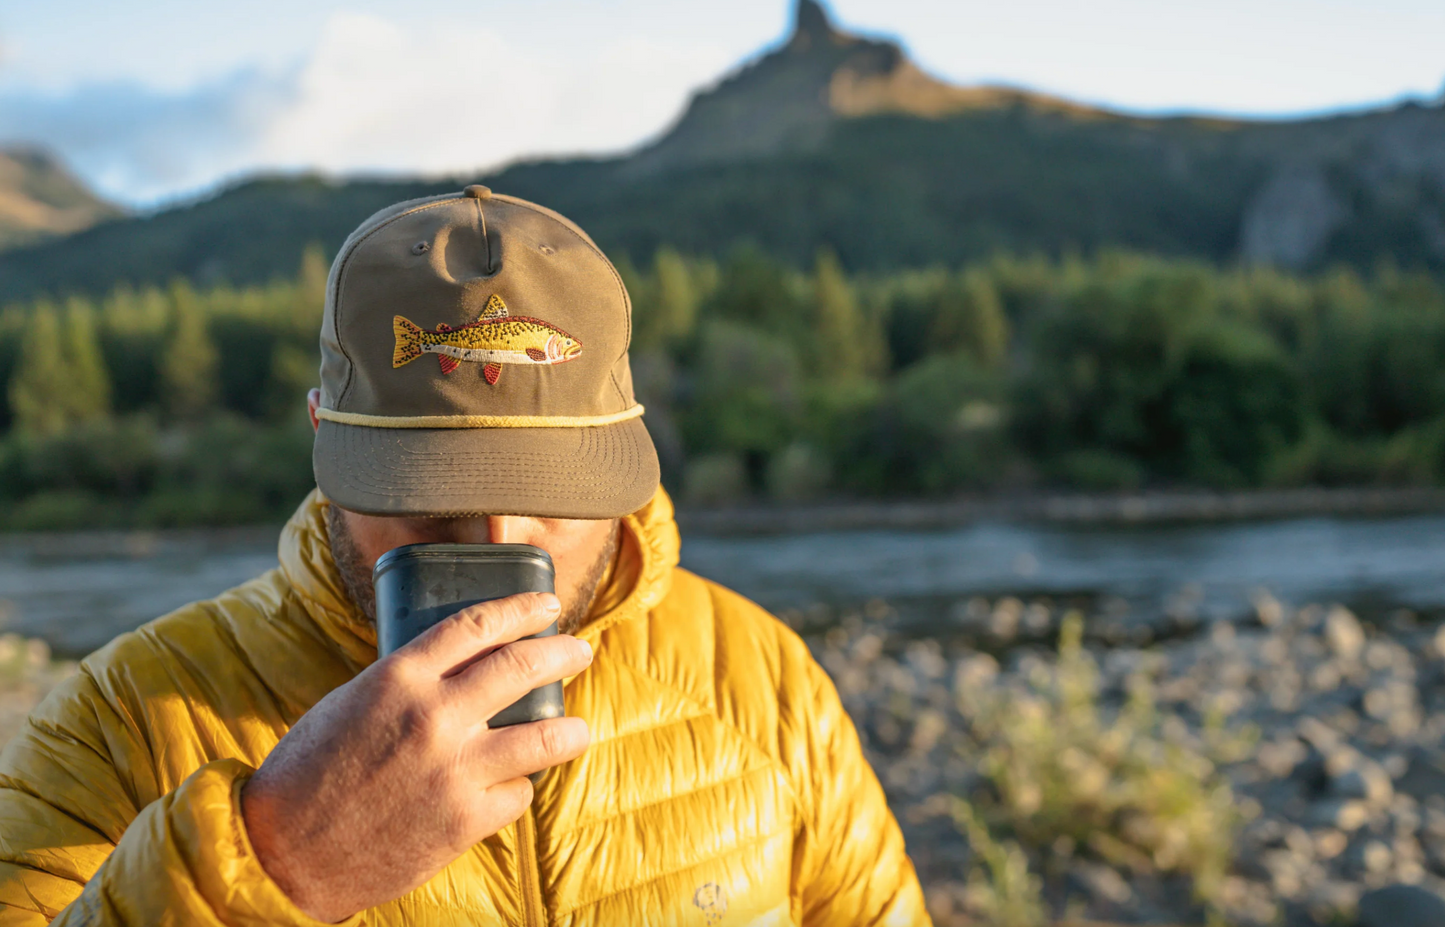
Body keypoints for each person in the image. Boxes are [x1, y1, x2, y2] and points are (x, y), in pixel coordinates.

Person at [0, 187, 930, 926]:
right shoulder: (123, 719)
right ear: (324, 441)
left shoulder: (762, 680)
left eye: (552, 496)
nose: (500, 546)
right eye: (428, 499)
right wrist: (269, 868)